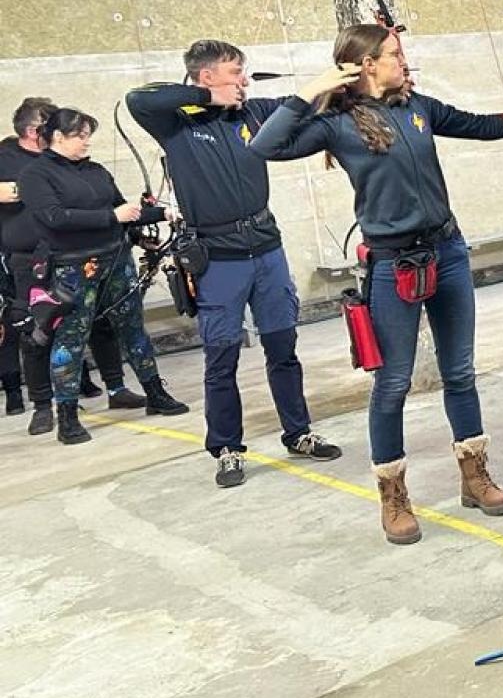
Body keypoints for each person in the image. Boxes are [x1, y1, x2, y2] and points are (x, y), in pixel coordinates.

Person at [249, 22, 503, 544]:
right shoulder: (334, 123)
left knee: (461, 371)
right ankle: (394, 496)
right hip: (392, 265)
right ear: (365, 65)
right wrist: (311, 89)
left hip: (446, 252)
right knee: (393, 383)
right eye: (393, 54)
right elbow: (266, 146)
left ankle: (474, 475)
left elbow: (483, 125)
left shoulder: (417, 107)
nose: (403, 61)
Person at [125, 40, 340, 490]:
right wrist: (208, 100)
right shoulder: (174, 122)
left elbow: (304, 104)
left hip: (266, 250)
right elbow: (138, 99)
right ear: (206, 77)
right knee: (220, 359)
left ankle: (297, 433)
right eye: (234, 72)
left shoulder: (254, 112)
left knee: (283, 348)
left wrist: (345, 79)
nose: (243, 80)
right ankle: (226, 447)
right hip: (217, 260)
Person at [18, 107, 190, 444]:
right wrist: (112, 215)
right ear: (57, 137)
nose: (86, 142)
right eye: (79, 135)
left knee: (133, 329)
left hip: (116, 261)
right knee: (71, 338)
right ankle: (67, 416)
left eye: (87, 135)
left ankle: (155, 393)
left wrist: (164, 213)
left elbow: (127, 211)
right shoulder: (36, 175)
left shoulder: (95, 170)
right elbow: (54, 217)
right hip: (73, 268)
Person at [3, 97, 147, 436]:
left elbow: (106, 203)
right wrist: (21, 189)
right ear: (37, 131)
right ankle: (43, 406)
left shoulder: (80, 168)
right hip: (32, 258)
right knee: (38, 332)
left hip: (85, 255)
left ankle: (116, 387)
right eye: (70, 131)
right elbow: (51, 212)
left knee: (101, 325)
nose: (81, 138)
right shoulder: (11, 161)